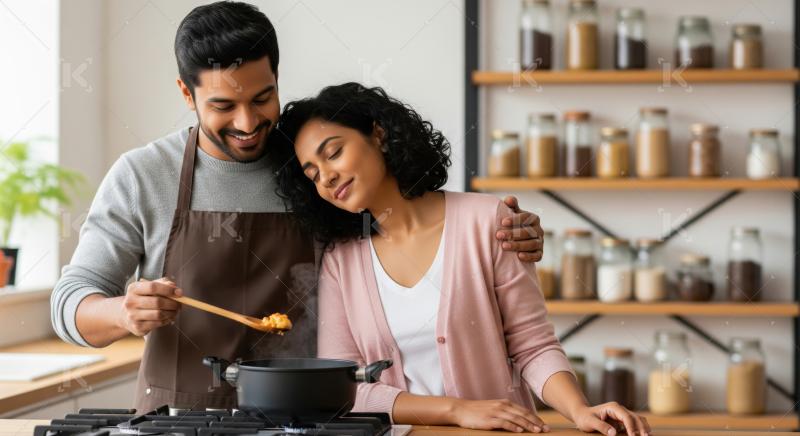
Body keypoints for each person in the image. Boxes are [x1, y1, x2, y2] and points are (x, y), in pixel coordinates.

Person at [50, 2, 546, 412]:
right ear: (186, 92)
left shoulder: (312, 168)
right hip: (179, 417)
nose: (247, 122)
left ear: (277, 77)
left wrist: (503, 232)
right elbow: (69, 302)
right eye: (223, 106)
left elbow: (412, 225)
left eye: (263, 98)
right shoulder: (142, 175)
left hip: (310, 412)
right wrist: (122, 312)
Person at [274, 83, 652, 436]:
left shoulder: (489, 221)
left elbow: (532, 345)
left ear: (378, 134)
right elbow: (344, 388)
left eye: (334, 153)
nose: (326, 177)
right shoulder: (341, 261)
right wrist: (455, 410)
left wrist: (580, 410)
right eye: (313, 174)